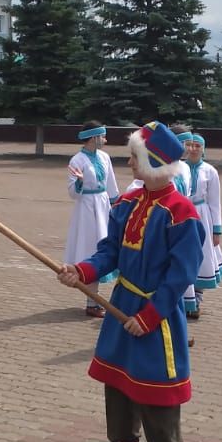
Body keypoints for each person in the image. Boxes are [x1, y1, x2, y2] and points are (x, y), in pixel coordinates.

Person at [57, 121, 205, 442]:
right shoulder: (127, 204)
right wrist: (82, 272)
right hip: (121, 310)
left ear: (155, 162)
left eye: (135, 157)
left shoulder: (181, 214)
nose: (129, 163)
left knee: (157, 398)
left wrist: (151, 316)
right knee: (119, 390)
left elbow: (180, 276)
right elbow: (108, 253)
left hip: (156, 320)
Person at [65, 121, 120, 318]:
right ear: (93, 137)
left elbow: (111, 185)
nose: (105, 140)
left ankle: (95, 299)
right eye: (102, 136)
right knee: (90, 248)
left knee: (105, 247)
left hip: (103, 205)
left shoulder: (105, 157)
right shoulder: (77, 160)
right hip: (87, 209)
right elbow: (72, 193)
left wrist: (117, 206)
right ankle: (91, 301)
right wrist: (79, 182)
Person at [178, 132, 222, 318]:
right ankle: (184, 298)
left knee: (202, 255)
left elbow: (215, 202)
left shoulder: (209, 171)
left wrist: (216, 229)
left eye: (198, 146)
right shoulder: (180, 168)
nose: (194, 149)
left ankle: (196, 299)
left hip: (202, 215)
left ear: (203, 149)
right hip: (183, 213)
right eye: (191, 145)